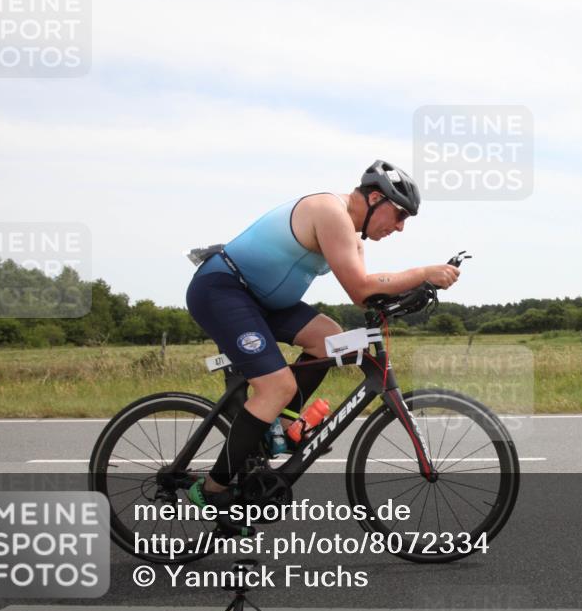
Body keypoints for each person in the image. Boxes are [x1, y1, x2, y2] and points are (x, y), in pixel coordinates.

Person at [185, 160, 459, 506]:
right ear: (376, 198)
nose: (401, 228)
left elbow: (368, 296)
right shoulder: (330, 212)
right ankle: (213, 489)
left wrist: (411, 296)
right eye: (401, 215)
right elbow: (361, 288)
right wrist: (422, 272)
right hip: (223, 289)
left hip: (261, 300)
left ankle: (282, 427)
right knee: (278, 386)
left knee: (331, 341)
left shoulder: (354, 239)